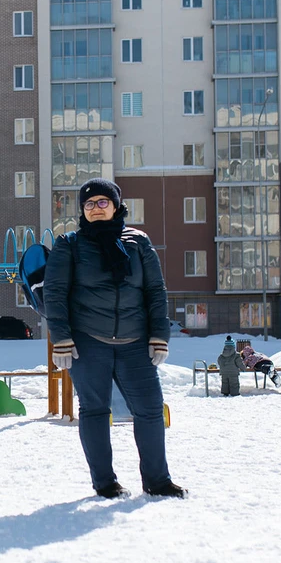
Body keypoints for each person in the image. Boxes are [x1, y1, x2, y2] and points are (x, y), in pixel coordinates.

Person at [44, 178, 187, 499]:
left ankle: (158, 480)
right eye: (89, 204)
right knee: (95, 410)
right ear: (82, 210)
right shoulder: (69, 244)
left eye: (102, 202)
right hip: (88, 341)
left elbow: (155, 291)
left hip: (135, 343)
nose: (96, 209)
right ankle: (105, 483)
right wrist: (62, 338)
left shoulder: (139, 242)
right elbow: (55, 294)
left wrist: (159, 334)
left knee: (149, 410)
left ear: (116, 205)